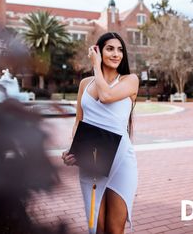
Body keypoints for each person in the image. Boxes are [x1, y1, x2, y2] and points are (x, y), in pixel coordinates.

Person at [62, 32, 139, 234]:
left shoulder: (130, 80)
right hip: (93, 160)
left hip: (122, 161)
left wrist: (96, 65)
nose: (116, 54)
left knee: (114, 229)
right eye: (110, 49)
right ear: (98, 50)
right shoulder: (84, 84)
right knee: (97, 227)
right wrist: (72, 151)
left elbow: (106, 95)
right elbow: (79, 121)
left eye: (120, 49)